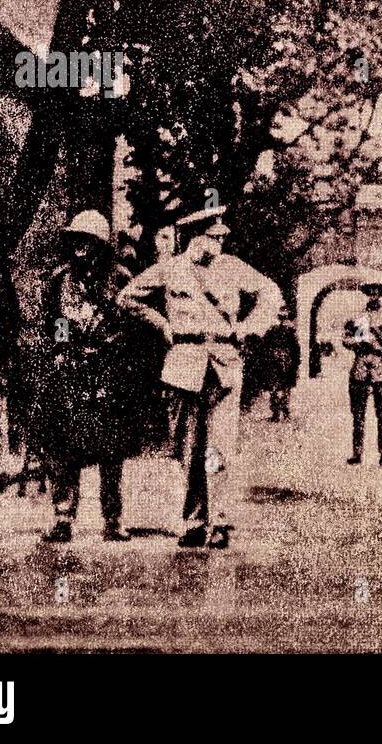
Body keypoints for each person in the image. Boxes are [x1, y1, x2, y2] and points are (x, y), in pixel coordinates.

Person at [117, 207, 282, 550]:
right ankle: (193, 521)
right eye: (213, 236)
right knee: (188, 448)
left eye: (222, 237)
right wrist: (162, 324)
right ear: (195, 237)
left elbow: (271, 293)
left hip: (223, 361)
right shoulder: (171, 269)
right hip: (183, 363)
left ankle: (219, 521)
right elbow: (128, 297)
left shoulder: (232, 267)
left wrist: (250, 328)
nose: (220, 242)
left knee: (219, 447)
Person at [36, 211, 136, 543]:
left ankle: (113, 518)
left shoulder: (120, 278)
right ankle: (63, 516)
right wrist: (62, 349)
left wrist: (116, 349)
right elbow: (54, 320)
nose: (80, 246)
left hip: (109, 369)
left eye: (87, 240)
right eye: (75, 239)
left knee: (111, 448)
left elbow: (131, 324)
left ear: (100, 244)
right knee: (65, 446)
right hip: (72, 370)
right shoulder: (60, 280)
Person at [343, 280, 382, 466]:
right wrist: (356, 342)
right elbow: (346, 339)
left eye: (377, 293)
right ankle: (357, 452)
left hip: (381, 366)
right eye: (370, 293)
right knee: (358, 413)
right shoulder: (360, 316)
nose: (373, 296)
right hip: (360, 366)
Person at [258, 306, 300, 423]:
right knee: (277, 389)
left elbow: (296, 351)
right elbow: (265, 345)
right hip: (277, 364)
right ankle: (278, 413)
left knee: (282, 389)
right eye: (283, 317)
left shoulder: (289, 333)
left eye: (287, 317)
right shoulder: (274, 330)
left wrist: (294, 365)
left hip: (285, 364)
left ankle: (283, 413)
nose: (285, 320)